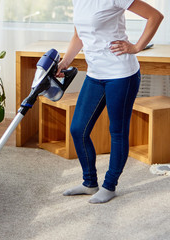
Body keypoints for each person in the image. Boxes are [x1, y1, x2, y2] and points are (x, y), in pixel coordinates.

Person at [56, 0, 163, 204]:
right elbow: (79, 35)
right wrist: (65, 62)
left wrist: (136, 47)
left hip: (121, 73)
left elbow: (155, 16)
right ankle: (89, 183)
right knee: (78, 129)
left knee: (117, 131)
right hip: (95, 74)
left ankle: (109, 186)